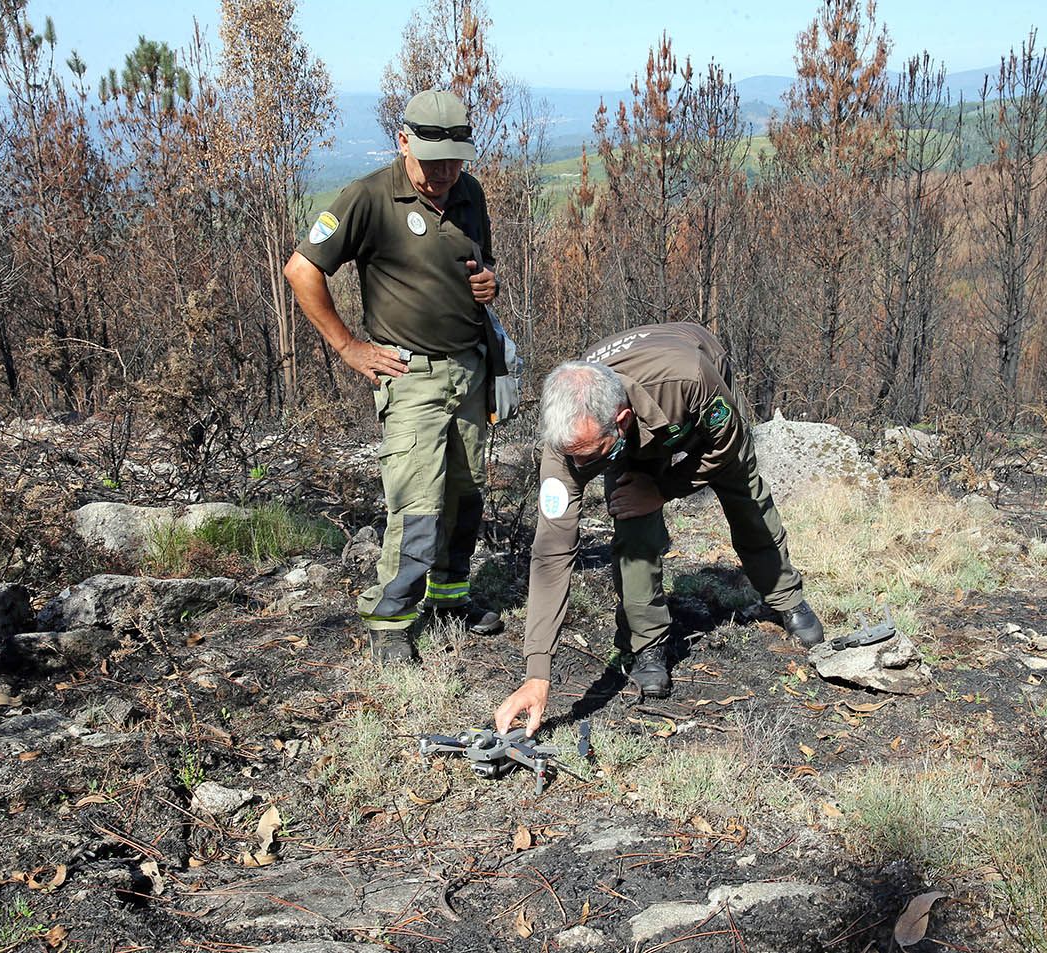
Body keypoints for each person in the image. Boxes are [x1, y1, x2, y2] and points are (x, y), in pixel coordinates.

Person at [494, 323, 824, 735]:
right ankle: (647, 643)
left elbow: (726, 445)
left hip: (686, 392)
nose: (580, 469)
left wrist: (664, 489)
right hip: (626, 428)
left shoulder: (690, 379)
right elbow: (551, 553)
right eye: (572, 458)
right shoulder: (566, 441)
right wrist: (537, 671)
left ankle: (786, 596)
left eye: (590, 456)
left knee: (744, 495)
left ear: (622, 421)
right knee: (631, 521)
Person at [284, 89, 503, 662]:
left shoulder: (470, 192)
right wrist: (349, 345)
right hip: (410, 375)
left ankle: (450, 596)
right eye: (433, 163)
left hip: (470, 369)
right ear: (403, 141)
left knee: (465, 493)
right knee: (417, 502)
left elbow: (482, 264)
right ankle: (390, 622)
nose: (445, 174)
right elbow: (301, 270)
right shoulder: (369, 198)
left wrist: (488, 286)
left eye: (455, 160)